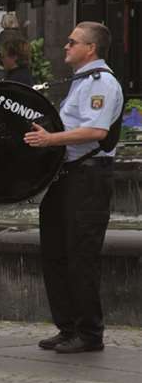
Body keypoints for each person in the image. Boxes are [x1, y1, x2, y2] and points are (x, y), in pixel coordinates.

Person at [24, 21, 123, 354]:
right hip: (67, 175)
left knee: (81, 256)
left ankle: (89, 333)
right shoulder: (81, 81)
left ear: (90, 48)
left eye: (71, 42)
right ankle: (67, 327)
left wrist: (51, 139)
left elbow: (95, 131)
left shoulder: (101, 82)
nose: (65, 46)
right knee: (55, 253)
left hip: (89, 177)